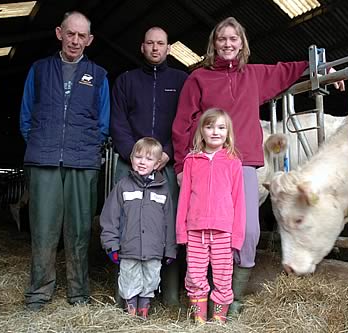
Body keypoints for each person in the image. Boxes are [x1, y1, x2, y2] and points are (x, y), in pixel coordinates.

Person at [172, 16, 345, 315]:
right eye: (222, 39)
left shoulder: (253, 74)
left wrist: (321, 67)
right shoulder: (198, 79)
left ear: (242, 44)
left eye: (233, 39)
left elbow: (286, 70)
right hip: (208, 165)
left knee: (248, 231)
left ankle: (231, 298)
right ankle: (203, 296)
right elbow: (182, 123)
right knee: (207, 232)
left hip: (244, 162)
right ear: (214, 43)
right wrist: (181, 165)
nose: (227, 44)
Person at [20, 11, 110, 311]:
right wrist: (41, 142)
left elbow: (103, 123)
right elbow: (26, 117)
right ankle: (38, 292)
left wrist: (86, 146)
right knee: (43, 229)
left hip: (81, 161)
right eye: (70, 33)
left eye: (81, 36)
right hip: (43, 159)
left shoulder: (99, 76)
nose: (75, 40)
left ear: (90, 40)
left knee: (80, 229)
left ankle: (78, 293)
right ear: (59, 33)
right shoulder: (40, 69)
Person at [110, 26, 188, 306]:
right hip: (130, 164)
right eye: (150, 43)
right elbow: (117, 121)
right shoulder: (126, 81)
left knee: (167, 225)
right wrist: (135, 155)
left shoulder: (181, 80)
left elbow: (185, 120)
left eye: (161, 43)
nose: (155, 48)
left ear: (168, 48)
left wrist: (166, 152)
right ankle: (126, 297)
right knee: (126, 223)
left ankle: (169, 296)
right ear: (142, 47)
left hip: (167, 163)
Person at [176, 108, 246, 323]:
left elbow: (239, 201)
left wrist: (237, 236)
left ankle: (218, 322)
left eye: (221, 127)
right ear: (201, 131)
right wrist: (181, 231)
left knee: (223, 277)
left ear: (228, 132)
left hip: (223, 230)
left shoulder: (233, 161)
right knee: (195, 276)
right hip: (195, 229)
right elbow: (184, 198)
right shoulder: (191, 161)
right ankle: (199, 321)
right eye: (210, 126)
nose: (215, 132)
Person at [100, 137, 177, 319]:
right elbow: (110, 218)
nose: (142, 162)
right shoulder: (122, 187)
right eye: (138, 157)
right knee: (128, 281)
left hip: (154, 250)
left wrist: (170, 249)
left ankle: (143, 312)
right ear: (131, 158)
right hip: (129, 249)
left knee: (150, 281)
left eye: (149, 159)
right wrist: (111, 245)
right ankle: (130, 314)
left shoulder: (163, 190)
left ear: (158, 163)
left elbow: (169, 222)